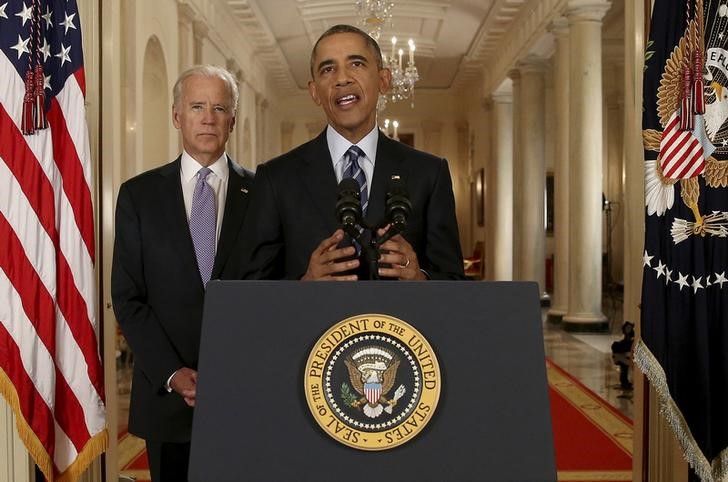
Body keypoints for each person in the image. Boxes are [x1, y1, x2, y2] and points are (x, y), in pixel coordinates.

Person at [111, 65, 253, 481]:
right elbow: (128, 296)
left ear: (233, 119)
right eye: (196, 106)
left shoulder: (263, 193)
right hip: (166, 398)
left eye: (219, 107)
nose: (208, 117)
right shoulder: (138, 195)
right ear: (177, 116)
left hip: (245, 394)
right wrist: (173, 373)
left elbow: (272, 290)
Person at [239, 24, 464, 280]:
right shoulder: (275, 178)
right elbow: (249, 289)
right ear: (315, 92)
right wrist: (303, 286)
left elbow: (453, 280)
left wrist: (420, 279)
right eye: (328, 69)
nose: (342, 78)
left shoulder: (430, 174)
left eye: (356, 64)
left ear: (384, 80)